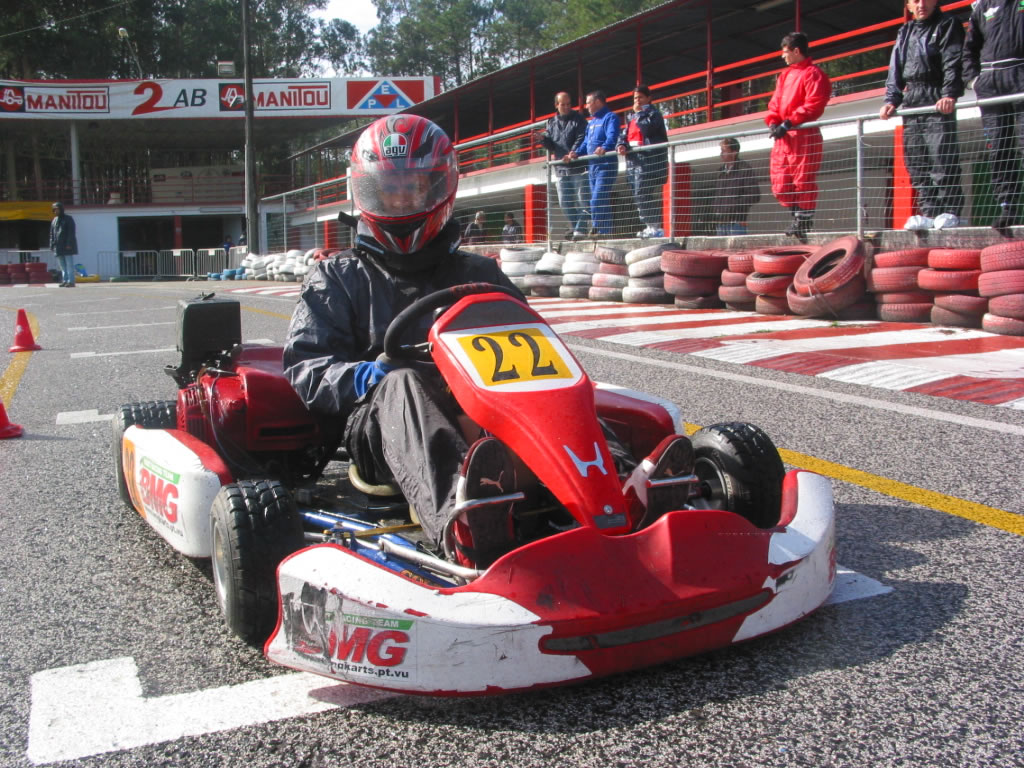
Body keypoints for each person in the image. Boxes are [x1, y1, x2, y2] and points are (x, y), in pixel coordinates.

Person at [283, 114, 532, 570]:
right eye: (389, 188)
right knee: (401, 381)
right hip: (383, 428)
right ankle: (465, 522)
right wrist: (362, 376)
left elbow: (532, 349)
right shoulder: (337, 277)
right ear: (367, 192)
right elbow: (306, 367)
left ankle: (622, 482)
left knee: (545, 373)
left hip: (482, 414)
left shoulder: (479, 274)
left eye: (414, 187)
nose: (401, 199)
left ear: (438, 189)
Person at [879, 0, 965, 231]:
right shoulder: (905, 31)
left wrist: (949, 93)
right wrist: (891, 99)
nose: (921, 5)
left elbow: (952, 61)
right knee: (916, 160)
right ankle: (929, 211)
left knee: (942, 156)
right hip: (912, 99)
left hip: (936, 94)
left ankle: (951, 210)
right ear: (907, 6)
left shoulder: (948, 24)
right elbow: (895, 67)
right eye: (914, 1)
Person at [964, 0, 1024, 234]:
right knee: (999, 148)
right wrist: (973, 80)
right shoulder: (982, 7)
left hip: (1020, 76)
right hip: (991, 84)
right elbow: (969, 49)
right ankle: (1008, 208)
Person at [765, 32, 831, 243]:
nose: (783, 57)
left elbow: (814, 103)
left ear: (796, 51)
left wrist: (790, 121)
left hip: (803, 134)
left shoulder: (814, 74)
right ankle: (797, 217)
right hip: (785, 137)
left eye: (785, 52)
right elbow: (775, 103)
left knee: (803, 179)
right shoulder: (784, 76)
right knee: (781, 181)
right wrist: (774, 121)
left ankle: (803, 220)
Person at [617, 84, 668, 239]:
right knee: (637, 193)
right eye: (635, 98)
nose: (637, 101)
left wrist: (639, 113)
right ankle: (648, 225)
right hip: (634, 161)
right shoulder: (631, 117)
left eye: (640, 97)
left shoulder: (654, 114)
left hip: (649, 160)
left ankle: (654, 225)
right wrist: (621, 144)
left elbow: (647, 130)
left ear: (648, 98)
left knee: (642, 192)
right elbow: (624, 135)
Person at [541, 91, 591, 240]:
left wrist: (573, 153)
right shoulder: (551, 123)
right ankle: (578, 228)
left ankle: (580, 230)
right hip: (561, 168)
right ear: (557, 105)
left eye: (569, 104)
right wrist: (542, 140)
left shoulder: (579, 119)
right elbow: (551, 145)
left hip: (578, 166)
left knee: (582, 200)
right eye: (563, 104)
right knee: (564, 202)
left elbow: (582, 137)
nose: (567, 107)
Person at [580, 90, 621, 236]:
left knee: (597, 198)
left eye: (588, 102)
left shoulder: (610, 117)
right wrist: (576, 153)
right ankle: (604, 231)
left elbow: (612, 137)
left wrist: (604, 147)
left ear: (597, 102)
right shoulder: (591, 123)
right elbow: (585, 143)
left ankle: (600, 229)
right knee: (598, 200)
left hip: (606, 165)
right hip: (592, 166)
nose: (586, 106)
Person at [712, 137, 761, 236]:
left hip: (737, 222)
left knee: (737, 251)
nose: (721, 154)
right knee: (721, 251)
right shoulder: (720, 172)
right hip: (720, 223)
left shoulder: (745, 170)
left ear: (734, 152)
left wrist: (733, 206)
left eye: (724, 151)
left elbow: (754, 195)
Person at [49, 202, 78, 288]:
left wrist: (69, 244)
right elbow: (51, 234)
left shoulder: (69, 219)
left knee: (69, 265)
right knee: (62, 266)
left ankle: (71, 281)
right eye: (54, 209)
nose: (55, 211)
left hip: (67, 246)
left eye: (57, 209)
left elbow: (71, 233)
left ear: (61, 209)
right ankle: (65, 280)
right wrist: (51, 244)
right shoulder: (54, 220)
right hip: (58, 246)